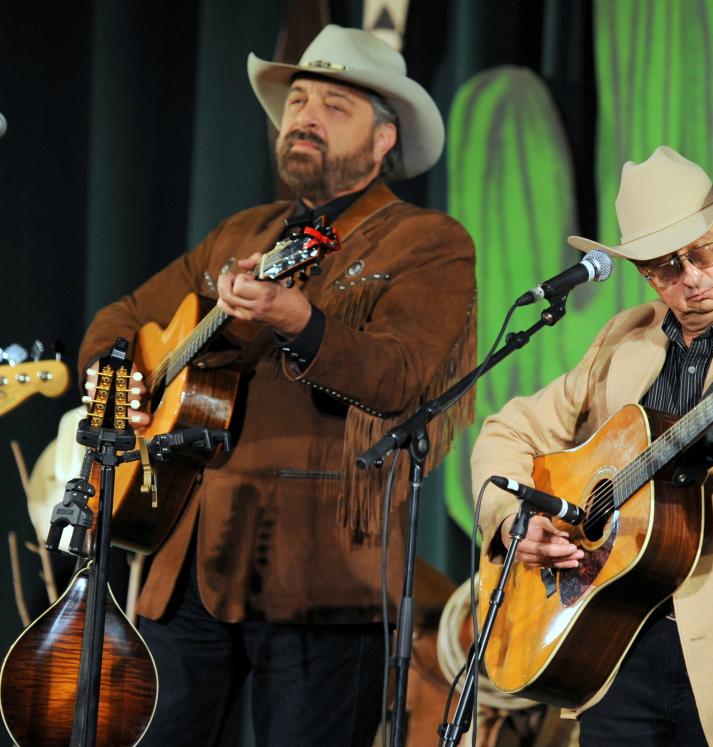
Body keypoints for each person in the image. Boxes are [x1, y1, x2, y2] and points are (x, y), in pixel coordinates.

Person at [78, 25, 476, 746]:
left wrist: (304, 322)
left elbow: (405, 375)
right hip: (191, 560)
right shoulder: (244, 233)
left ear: (385, 140)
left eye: (334, 104)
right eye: (297, 100)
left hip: (323, 577)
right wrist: (121, 387)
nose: (305, 116)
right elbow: (123, 318)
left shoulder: (425, 242)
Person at [471, 146, 713, 746]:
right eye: (664, 267)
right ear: (643, 273)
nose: (690, 279)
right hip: (615, 644)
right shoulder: (622, 338)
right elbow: (509, 430)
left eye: (701, 252)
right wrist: (510, 521)